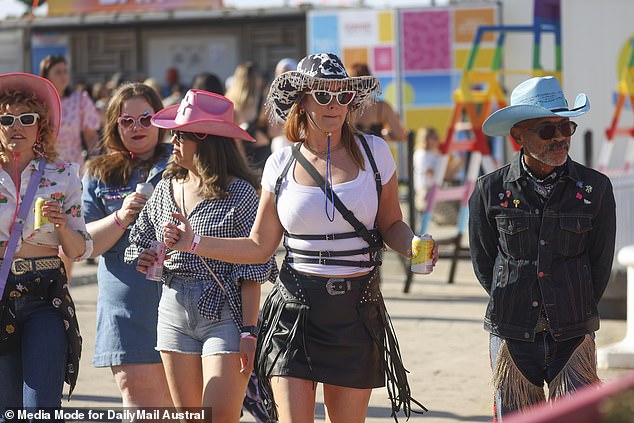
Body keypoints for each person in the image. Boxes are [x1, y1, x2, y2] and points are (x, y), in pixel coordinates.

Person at [163, 53, 438, 423]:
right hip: (295, 311)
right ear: (302, 101)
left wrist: (414, 244)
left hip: (356, 309)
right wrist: (193, 242)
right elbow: (260, 246)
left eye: (342, 96)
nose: (335, 105)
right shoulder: (280, 163)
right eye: (323, 96)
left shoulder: (376, 154)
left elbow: (391, 224)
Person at [468, 76, 617, 421]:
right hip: (512, 333)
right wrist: (517, 299)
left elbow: (599, 263)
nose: (561, 138)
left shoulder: (595, 189)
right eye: (547, 130)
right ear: (518, 136)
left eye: (566, 127)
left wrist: (573, 306)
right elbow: (484, 262)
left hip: (573, 334)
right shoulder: (489, 190)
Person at [124, 89, 276, 421]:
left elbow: (256, 265)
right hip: (173, 308)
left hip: (225, 311)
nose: (172, 140)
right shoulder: (166, 185)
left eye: (181, 134)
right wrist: (146, 256)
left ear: (204, 139)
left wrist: (250, 332)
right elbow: (137, 241)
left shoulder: (239, 193)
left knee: (218, 417)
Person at [0, 72, 92, 412]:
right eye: (6, 119)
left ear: (42, 126)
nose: (16, 126)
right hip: (0, 290)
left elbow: (78, 249)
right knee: (7, 412)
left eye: (27, 118)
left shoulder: (63, 173)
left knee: (41, 409)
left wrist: (62, 223)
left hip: (44, 293)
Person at [81, 82, 173, 409]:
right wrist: (121, 216)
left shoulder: (184, 164)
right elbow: (86, 245)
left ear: (160, 120)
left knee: (181, 408)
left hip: (183, 303)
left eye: (146, 118)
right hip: (126, 305)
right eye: (127, 121)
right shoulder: (97, 173)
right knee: (140, 404)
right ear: (114, 125)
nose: (137, 127)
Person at [39, 55, 101, 166]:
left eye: (65, 71)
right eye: (58, 72)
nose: (63, 75)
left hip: (73, 167)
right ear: (46, 76)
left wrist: (96, 162)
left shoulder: (80, 100)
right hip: (44, 168)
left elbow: (91, 136)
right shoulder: (38, 103)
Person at [225, 62, 270, 172]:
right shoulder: (261, 101)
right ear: (255, 79)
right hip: (259, 151)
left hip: (236, 154)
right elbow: (272, 129)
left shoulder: (229, 102)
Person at [349, 62, 408, 141]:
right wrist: (384, 135)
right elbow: (400, 135)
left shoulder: (345, 107)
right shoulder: (382, 107)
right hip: (375, 151)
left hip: (352, 151)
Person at [413, 126, 464, 213]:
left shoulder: (433, 153)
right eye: (434, 138)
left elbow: (444, 173)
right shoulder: (422, 154)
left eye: (437, 138)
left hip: (433, 189)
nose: (437, 141)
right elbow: (433, 174)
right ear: (425, 139)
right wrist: (452, 167)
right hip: (426, 191)